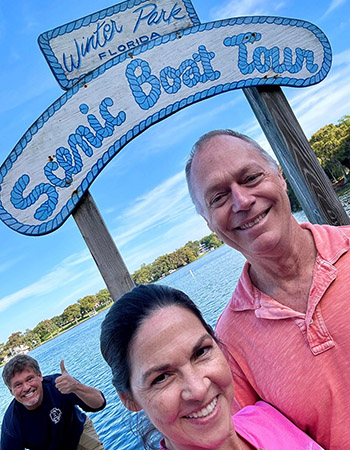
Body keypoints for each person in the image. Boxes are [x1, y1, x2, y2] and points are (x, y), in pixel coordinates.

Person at [185, 129, 350, 450]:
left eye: (250, 178)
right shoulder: (230, 344)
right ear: (208, 222)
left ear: (280, 177)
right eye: (218, 197)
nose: (242, 200)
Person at [100, 283, 323, 450]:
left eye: (201, 352)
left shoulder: (266, 418)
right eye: (161, 378)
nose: (198, 389)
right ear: (129, 399)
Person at [1, 354, 106, 450]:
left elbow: (99, 403)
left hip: (78, 433)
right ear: (11, 391)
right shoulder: (11, 423)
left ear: (40, 376)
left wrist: (76, 387)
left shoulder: (59, 385)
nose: (26, 387)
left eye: (30, 379)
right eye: (18, 385)